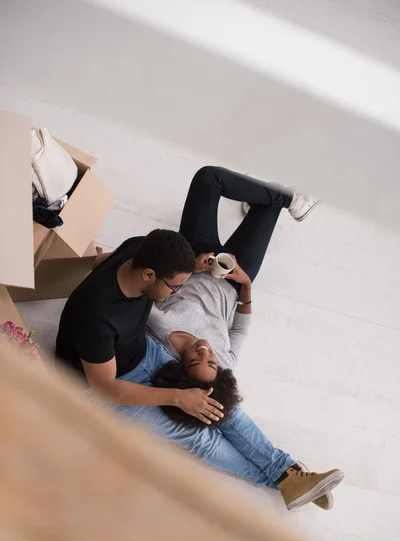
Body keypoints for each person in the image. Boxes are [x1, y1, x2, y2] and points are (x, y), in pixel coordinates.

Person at [56, 166, 343, 511]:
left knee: (218, 400)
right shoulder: (98, 318)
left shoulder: (136, 250)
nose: (179, 292)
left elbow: (108, 262)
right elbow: (107, 388)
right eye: (176, 286)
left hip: (141, 350)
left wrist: (200, 265)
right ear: (149, 275)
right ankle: (280, 480)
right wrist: (177, 397)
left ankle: (290, 474)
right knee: (196, 432)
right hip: (106, 383)